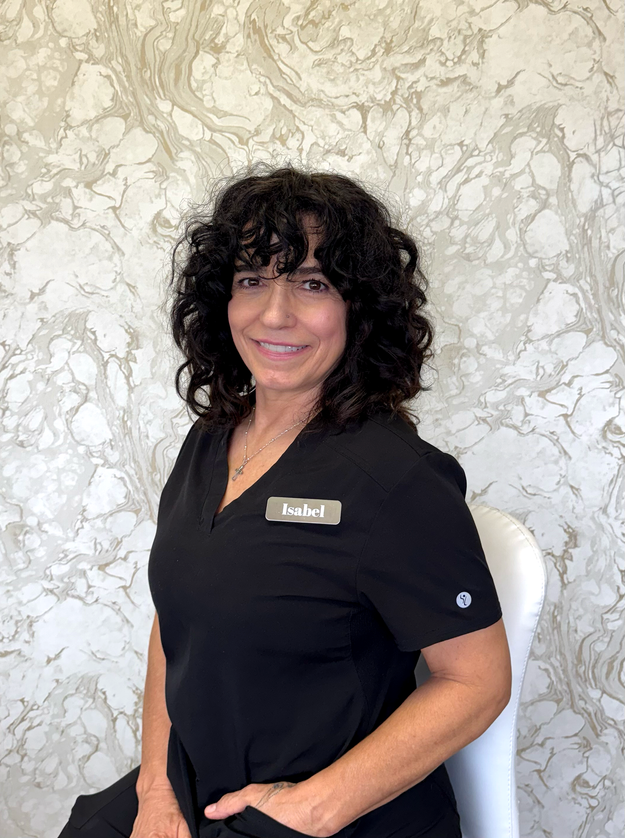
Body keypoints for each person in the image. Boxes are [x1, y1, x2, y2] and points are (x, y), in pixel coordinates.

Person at [58, 166, 511, 838]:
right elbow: (178, 619)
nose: (274, 313)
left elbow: (477, 683)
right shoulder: (210, 442)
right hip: (195, 784)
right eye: (251, 280)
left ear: (360, 309)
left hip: (327, 813)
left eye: (311, 283)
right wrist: (156, 789)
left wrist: (310, 809)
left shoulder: (397, 481)